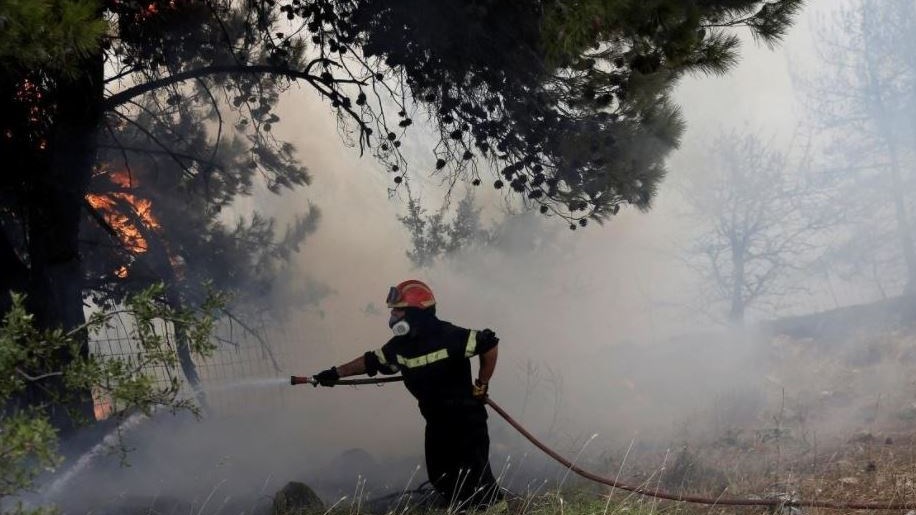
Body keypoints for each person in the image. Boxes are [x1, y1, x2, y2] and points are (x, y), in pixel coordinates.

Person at [312, 279, 503, 510]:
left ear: (416, 313)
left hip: (466, 420)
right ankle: (463, 509)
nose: (393, 317)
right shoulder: (400, 346)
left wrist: (481, 385)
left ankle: (494, 509)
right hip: (436, 421)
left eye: (398, 310)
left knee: (476, 479)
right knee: (441, 476)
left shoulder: (450, 335)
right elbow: (371, 361)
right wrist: (335, 373)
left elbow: (489, 344)